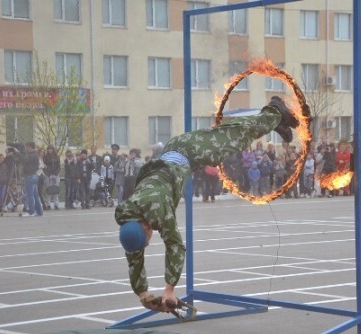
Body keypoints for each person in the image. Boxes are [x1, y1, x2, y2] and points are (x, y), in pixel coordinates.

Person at [115, 97, 301, 311]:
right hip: (177, 155)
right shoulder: (130, 222)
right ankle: (274, 122)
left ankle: (274, 111)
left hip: (188, 150)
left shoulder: (155, 207)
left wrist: (169, 290)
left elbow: (174, 245)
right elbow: (134, 256)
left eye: (148, 239)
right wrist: (144, 294)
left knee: (235, 138)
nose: (149, 240)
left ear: (146, 227)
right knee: (234, 140)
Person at [21, 142, 44, 217]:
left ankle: (31, 211)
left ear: (30, 147)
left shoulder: (32, 155)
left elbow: (24, 161)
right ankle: (39, 211)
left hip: (30, 176)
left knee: (30, 194)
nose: (25, 149)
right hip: (35, 176)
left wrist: (19, 153)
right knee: (35, 194)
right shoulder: (35, 155)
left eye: (26, 147)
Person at [43, 145, 61, 210]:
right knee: (48, 189)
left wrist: (55, 174)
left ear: (53, 150)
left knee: (56, 189)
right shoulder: (45, 157)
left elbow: (59, 167)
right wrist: (49, 174)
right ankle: (48, 204)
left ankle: (56, 204)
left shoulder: (57, 157)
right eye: (49, 149)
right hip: (48, 175)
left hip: (56, 175)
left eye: (51, 149)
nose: (50, 150)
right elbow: (44, 167)